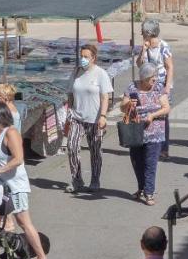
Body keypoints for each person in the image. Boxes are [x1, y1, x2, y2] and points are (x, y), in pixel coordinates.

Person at [0, 101, 49, 259]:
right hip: (0, 186)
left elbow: (18, 158)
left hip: (15, 186)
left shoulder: (10, 133)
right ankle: (12, 252)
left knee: (24, 223)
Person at [66, 42, 113, 193]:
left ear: (93, 58)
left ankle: (95, 179)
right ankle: (77, 179)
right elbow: (70, 93)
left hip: (94, 119)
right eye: (81, 56)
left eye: (86, 57)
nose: (83, 59)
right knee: (72, 147)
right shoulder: (76, 72)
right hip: (77, 117)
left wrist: (103, 116)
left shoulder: (100, 74)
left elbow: (105, 97)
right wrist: (69, 111)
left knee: (95, 151)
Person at [122, 63, 172, 205]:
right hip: (136, 132)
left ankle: (149, 193)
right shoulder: (132, 87)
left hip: (155, 132)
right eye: (152, 78)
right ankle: (141, 188)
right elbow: (122, 107)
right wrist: (128, 105)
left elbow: (166, 108)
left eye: (156, 77)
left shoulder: (158, 88)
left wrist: (153, 115)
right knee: (137, 162)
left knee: (150, 164)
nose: (155, 80)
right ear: (144, 78)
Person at [134, 18, 174, 161]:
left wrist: (167, 86)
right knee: (149, 112)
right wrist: (143, 50)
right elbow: (139, 64)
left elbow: (169, 67)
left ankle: (164, 148)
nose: (144, 36)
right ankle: (150, 142)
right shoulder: (145, 47)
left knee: (162, 115)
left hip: (161, 84)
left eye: (145, 33)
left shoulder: (163, 46)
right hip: (147, 84)